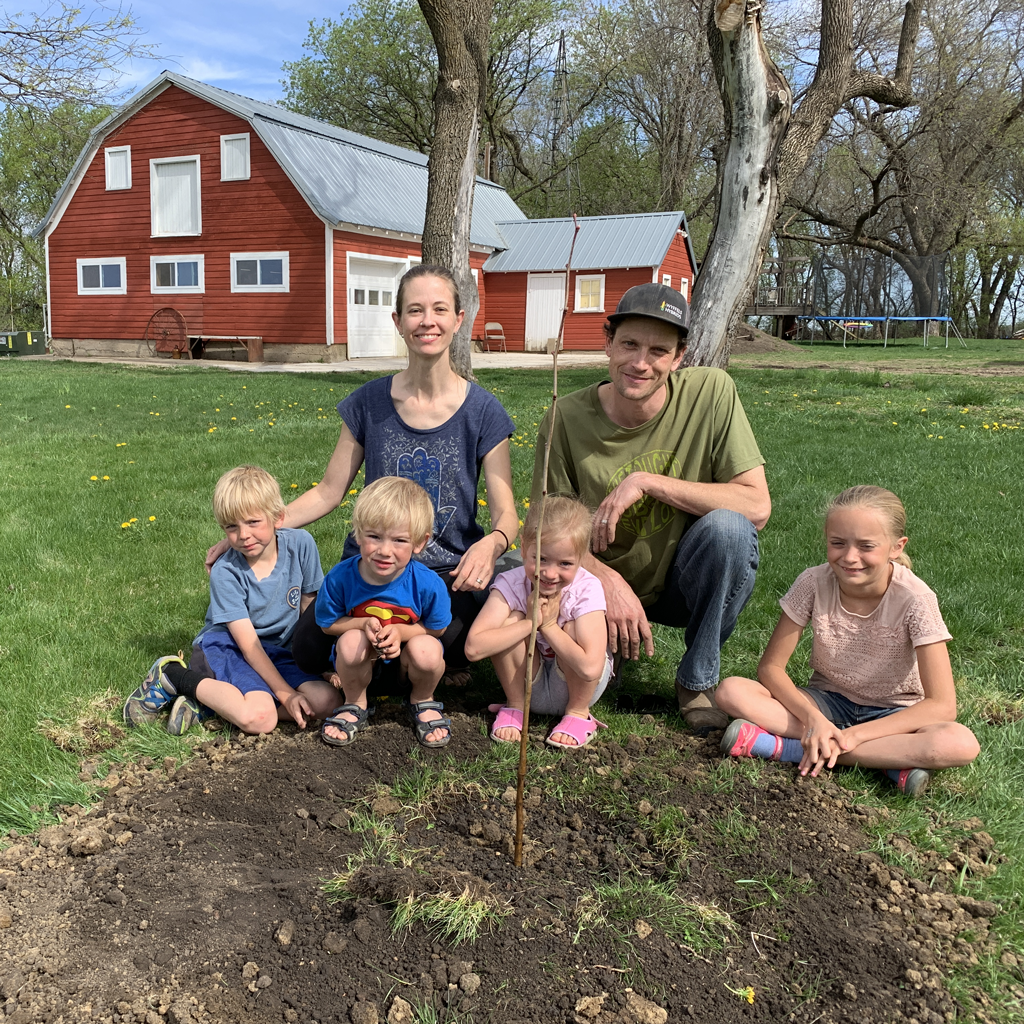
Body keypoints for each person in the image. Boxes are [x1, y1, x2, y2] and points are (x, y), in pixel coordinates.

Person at [205, 264, 517, 684]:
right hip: (369, 565)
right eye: (415, 311)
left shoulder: (484, 412)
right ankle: (398, 664)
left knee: (460, 641)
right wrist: (257, 530)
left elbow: (507, 516)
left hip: (443, 574)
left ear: (459, 320)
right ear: (398, 322)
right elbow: (328, 492)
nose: (428, 321)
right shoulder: (368, 403)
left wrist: (493, 546)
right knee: (307, 649)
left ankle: (398, 663)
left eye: (440, 309)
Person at [531, 282, 771, 732]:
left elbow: (757, 505)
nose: (640, 363)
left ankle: (695, 681)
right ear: (607, 344)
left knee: (730, 531)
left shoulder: (712, 394)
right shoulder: (565, 416)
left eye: (659, 351)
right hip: (595, 586)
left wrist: (647, 482)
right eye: (629, 345)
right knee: (519, 566)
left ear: (679, 358)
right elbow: (543, 530)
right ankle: (602, 644)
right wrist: (608, 583)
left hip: (683, 578)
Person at [715, 486, 980, 797]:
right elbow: (771, 668)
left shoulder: (916, 599)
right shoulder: (813, 582)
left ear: (897, 546)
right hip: (827, 702)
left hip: (894, 714)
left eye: (866, 546)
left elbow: (942, 705)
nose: (850, 557)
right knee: (732, 691)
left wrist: (856, 736)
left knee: (958, 743)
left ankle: (786, 749)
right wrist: (813, 719)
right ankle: (887, 761)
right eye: (837, 543)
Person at [125, 465, 338, 735]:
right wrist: (286, 694)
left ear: (278, 517)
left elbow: (309, 610)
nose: (243, 535)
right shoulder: (225, 571)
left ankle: (213, 706)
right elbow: (248, 646)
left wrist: (319, 665)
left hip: (278, 651)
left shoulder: (301, 544)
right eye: (231, 527)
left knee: (327, 702)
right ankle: (174, 677)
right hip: (229, 646)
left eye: (253, 522)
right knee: (262, 719)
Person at [465, 496, 612, 749]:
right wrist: (530, 623)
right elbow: (473, 648)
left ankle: (578, 714)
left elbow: (590, 669)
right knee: (510, 621)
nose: (550, 573)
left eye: (565, 563)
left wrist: (550, 626)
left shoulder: (587, 589)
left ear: (581, 558)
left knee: (572, 627)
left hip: (576, 686)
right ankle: (515, 707)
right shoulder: (511, 584)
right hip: (526, 687)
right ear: (523, 548)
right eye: (541, 559)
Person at [315, 477, 452, 748]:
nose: (384, 551)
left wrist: (402, 631)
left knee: (428, 649)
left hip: (408, 668)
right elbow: (327, 624)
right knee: (351, 641)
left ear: (420, 543)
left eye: (399, 540)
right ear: (357, 533)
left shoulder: (427, 583)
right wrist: (361, 623)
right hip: (358, 668)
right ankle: (355, 703)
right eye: (374, 536)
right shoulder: (340, 577)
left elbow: (437, 629)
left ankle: (422, 700)